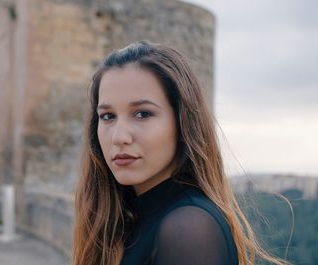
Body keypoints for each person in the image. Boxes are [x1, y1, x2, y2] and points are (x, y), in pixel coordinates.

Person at [72, 41, 290, 265]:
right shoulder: (129, 218)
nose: (119, 137)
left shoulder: (188, 228)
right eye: (108, 116)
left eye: (142, 114)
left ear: (182, 122)